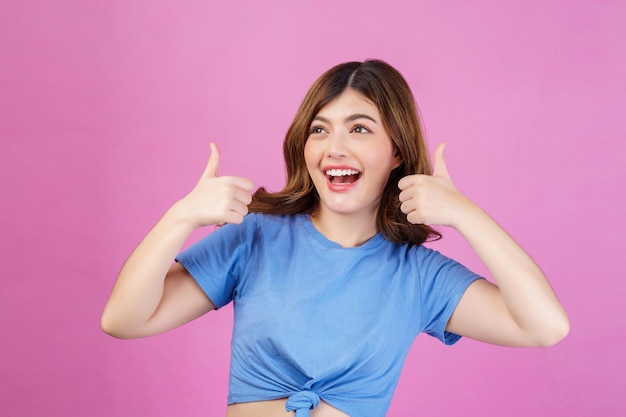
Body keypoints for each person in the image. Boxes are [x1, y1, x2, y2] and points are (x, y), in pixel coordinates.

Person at [101, 59, 569, 417]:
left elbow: (544, 327)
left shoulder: (419, 275)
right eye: (319, 130)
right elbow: (123, 319)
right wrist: (179, 217)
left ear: (397, 153)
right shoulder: (256, 238)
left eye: (359, 128)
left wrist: (468, 215)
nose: (334, 148)